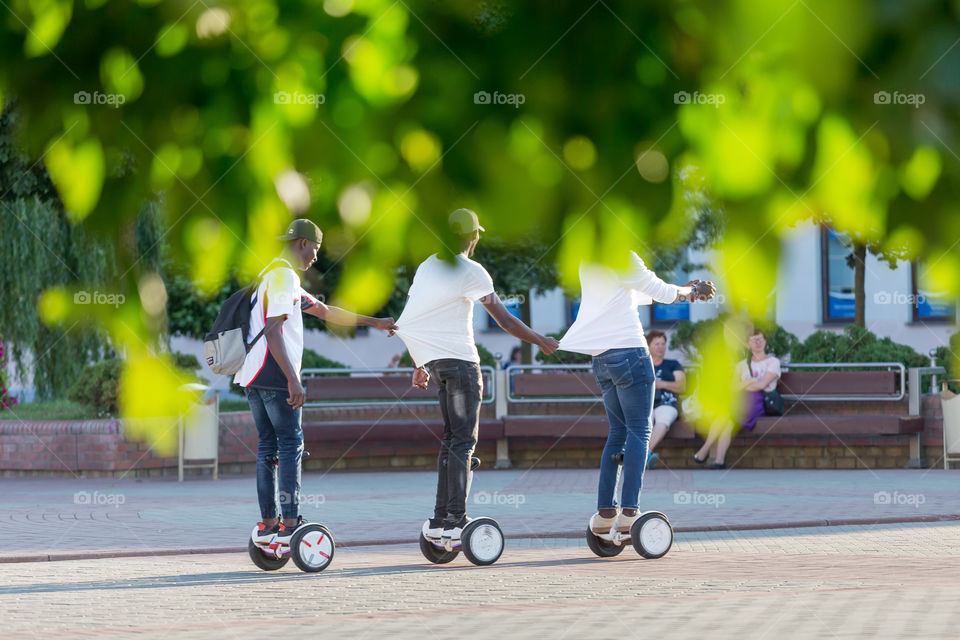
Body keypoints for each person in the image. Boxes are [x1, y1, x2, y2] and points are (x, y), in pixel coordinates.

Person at [392, 208, 560, 544]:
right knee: (463, 443)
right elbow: (505, 320)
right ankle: (457, 519)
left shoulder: (428, 266)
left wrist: (418, 364)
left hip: (437, 365)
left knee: (451, 441)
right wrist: (542, 340)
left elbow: (410, 319)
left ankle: (441, 519)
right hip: (462, 366)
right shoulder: (471, 270)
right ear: (473, 236)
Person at [235, 219, 397, 547]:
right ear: (303, 243)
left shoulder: (272, 274)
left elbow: (324, 310)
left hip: (252, 376)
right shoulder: (283, 276)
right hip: (274, 375)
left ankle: (269, 526)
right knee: (290, 445)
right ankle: (291, 523)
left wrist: (375, 322)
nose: (316, 259)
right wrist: (294, 380)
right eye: (316, 250)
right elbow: (272, 329)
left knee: (267, 449)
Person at [558, 252, 714, 537]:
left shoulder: (588, 259)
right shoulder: (625, 256)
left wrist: (681, 294)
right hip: (629, 352)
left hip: (602, 358)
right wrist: (690, 291)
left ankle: (606, 513)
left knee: (617, 432)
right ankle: (630, 511)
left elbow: (638, 295)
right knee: (641, 430)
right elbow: (661, 291)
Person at [692, 327, 781, 469]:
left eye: (760, 339)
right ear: (747, 344)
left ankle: (704, 450)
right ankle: (719, 461)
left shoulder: (773, 362)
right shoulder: (742, 365)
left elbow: (762, 385)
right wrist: (750, 381)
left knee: (726, 414)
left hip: (759, 402)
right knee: (727, 421)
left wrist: (743, 385)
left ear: (765, 342)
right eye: (754, 340)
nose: (758, 343)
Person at [644, 329, 686, 470]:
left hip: (668, 402)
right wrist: (669, 385)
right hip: (646, 403)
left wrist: (660, 384)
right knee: (643, 422)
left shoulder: (672, 364)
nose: (661, 347)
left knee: (663, 420)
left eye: (663, 344)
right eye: (656, 344)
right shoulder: (643, 365)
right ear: (648, 346)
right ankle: (644, 457)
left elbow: (681, 386)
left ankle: (644, 455)